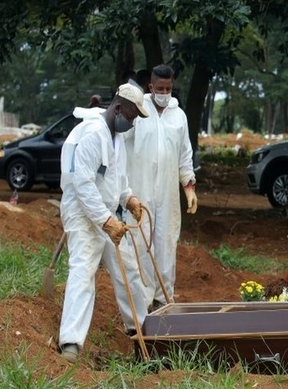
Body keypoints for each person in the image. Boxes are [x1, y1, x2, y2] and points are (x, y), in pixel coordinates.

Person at [58, 83, 150, 362]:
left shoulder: (115, 137)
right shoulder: (92, 133)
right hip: (83, 216)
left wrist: (129, 198)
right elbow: (83, 184)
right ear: (119, 108)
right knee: (83, 272)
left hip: (108, 216)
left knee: (128, 271)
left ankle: (142, 330)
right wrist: (105, 220)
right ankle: (71, 344)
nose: (131, 123)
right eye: (132, 117)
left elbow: (116, 180)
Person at [124, 64, 197, 311]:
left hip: (167, 196)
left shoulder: (179, 116)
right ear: (151, 87)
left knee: (167, 245)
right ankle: (143, 304)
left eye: (169, 88)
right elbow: (120, 147)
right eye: (160, 88)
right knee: (142, 245)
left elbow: (185, 155)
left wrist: (189, 187)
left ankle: (164, 300)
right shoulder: (138, 111)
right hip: (140, 192)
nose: (165, 93)